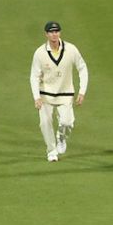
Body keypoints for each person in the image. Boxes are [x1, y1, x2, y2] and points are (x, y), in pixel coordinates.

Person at [30, 21, 89, 162]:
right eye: (51, 32)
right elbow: (34, 76)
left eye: (56, 31)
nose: (54, 34)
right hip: (46, 95)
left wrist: (82, 91)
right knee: (45, 123)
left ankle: (61, 138)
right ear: (46, 34)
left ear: (60, 33)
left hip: (65, 93)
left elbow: (82, 68)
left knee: (67, 122)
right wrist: (36, 97)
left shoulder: (71, 49)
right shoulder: (39, 53)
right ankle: (51, 151)